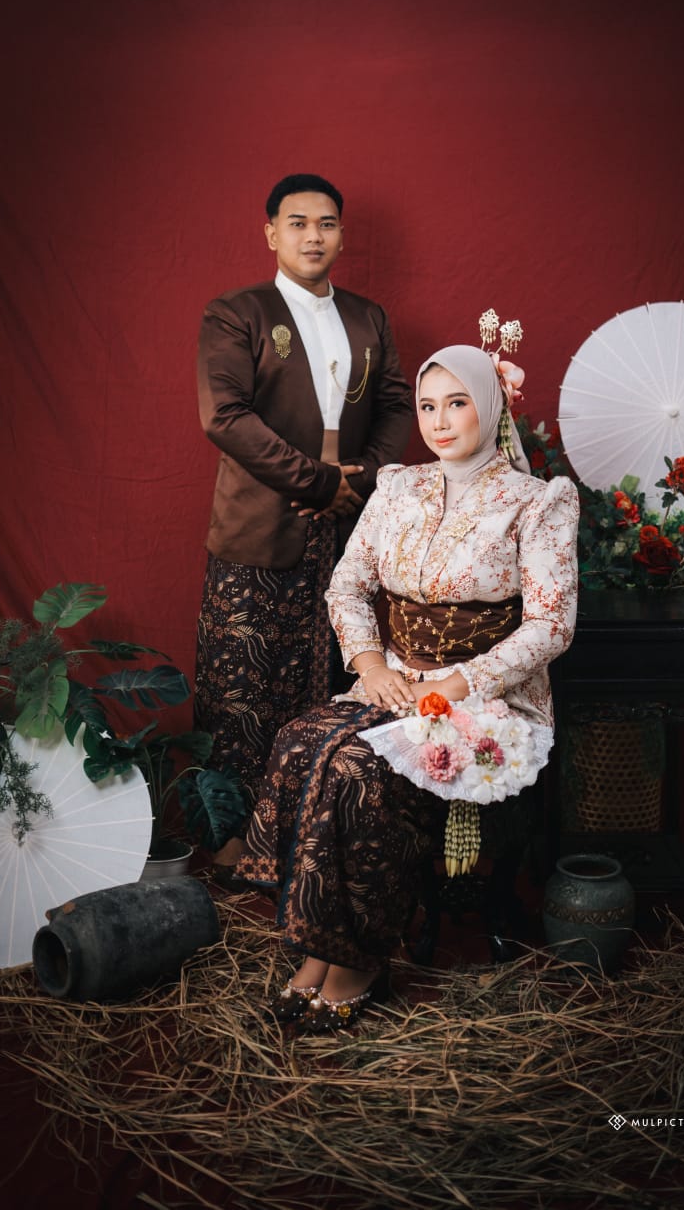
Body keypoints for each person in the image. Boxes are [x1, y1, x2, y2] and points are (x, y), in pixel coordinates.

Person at [235, 343, 580, 1031]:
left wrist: (458, 682)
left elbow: (552, 624)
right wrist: (370, 665)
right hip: (393, 682)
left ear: (490, 406)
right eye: (427, 406)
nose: (439, 421)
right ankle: (319, 947)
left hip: (486, 697)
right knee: (302, 741)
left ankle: (360, 959)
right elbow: (348, 586)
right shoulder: (398, 487)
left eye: (457, 403)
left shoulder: (537, 501)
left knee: (357, 770)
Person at [195, 174, 414, 872]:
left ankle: (311, 840)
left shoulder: (368, 317)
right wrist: (319, 482)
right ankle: (235, 845)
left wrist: (362, 479)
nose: (313, 236)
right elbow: (224, 416)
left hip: (349, 524)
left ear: (342, 236)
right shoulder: (238, 313)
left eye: (326, 224)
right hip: (260, 526)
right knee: (242, 687)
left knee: (330, 678)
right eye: (298, 223)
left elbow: (396, 405)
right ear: (271, 233)